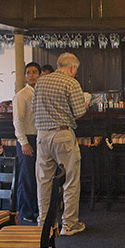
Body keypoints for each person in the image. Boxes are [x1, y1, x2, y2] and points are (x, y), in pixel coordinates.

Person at [32, 53, 87, 236]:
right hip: (62, 134)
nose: (75, 73)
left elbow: (34, 108)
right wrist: (85, 104)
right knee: (70, 180)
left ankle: (44, 224)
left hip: (42, 136)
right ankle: (69, 225)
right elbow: (79, 113)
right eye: (76, 70)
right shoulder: (71, 83)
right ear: (72, 68)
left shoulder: (41, 81)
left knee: (44, 181)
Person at [12, 62, 41, 222]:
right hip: (27, 139)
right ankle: (25, 212)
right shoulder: (21, 96)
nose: (31, 75)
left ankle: (37, 208)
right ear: (25, 76)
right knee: (27, 177)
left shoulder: (42, 93)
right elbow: (17, 121)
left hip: (40, 138)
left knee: (39, 176)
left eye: (34, 72)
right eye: (28, 72)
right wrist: (23, 142)